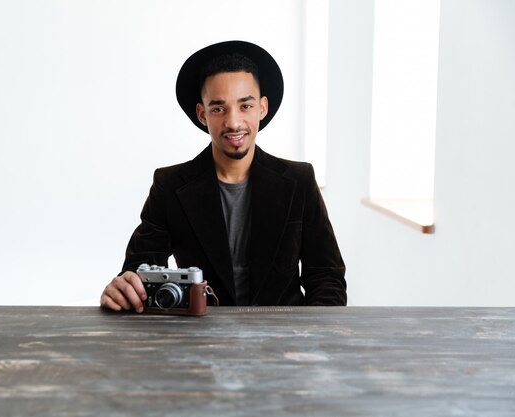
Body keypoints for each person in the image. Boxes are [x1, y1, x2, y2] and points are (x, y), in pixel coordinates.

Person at [100, 40, 346, 312]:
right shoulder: (170, 186)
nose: (233, 122)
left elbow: (326, 277)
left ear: (262, 108)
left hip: (283, 341)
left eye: (245, 106)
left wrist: (314, 339)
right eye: (218, 108)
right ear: (202, 114)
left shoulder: (299, 180)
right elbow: (139, 272)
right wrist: (125, 288)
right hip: (202, 339)